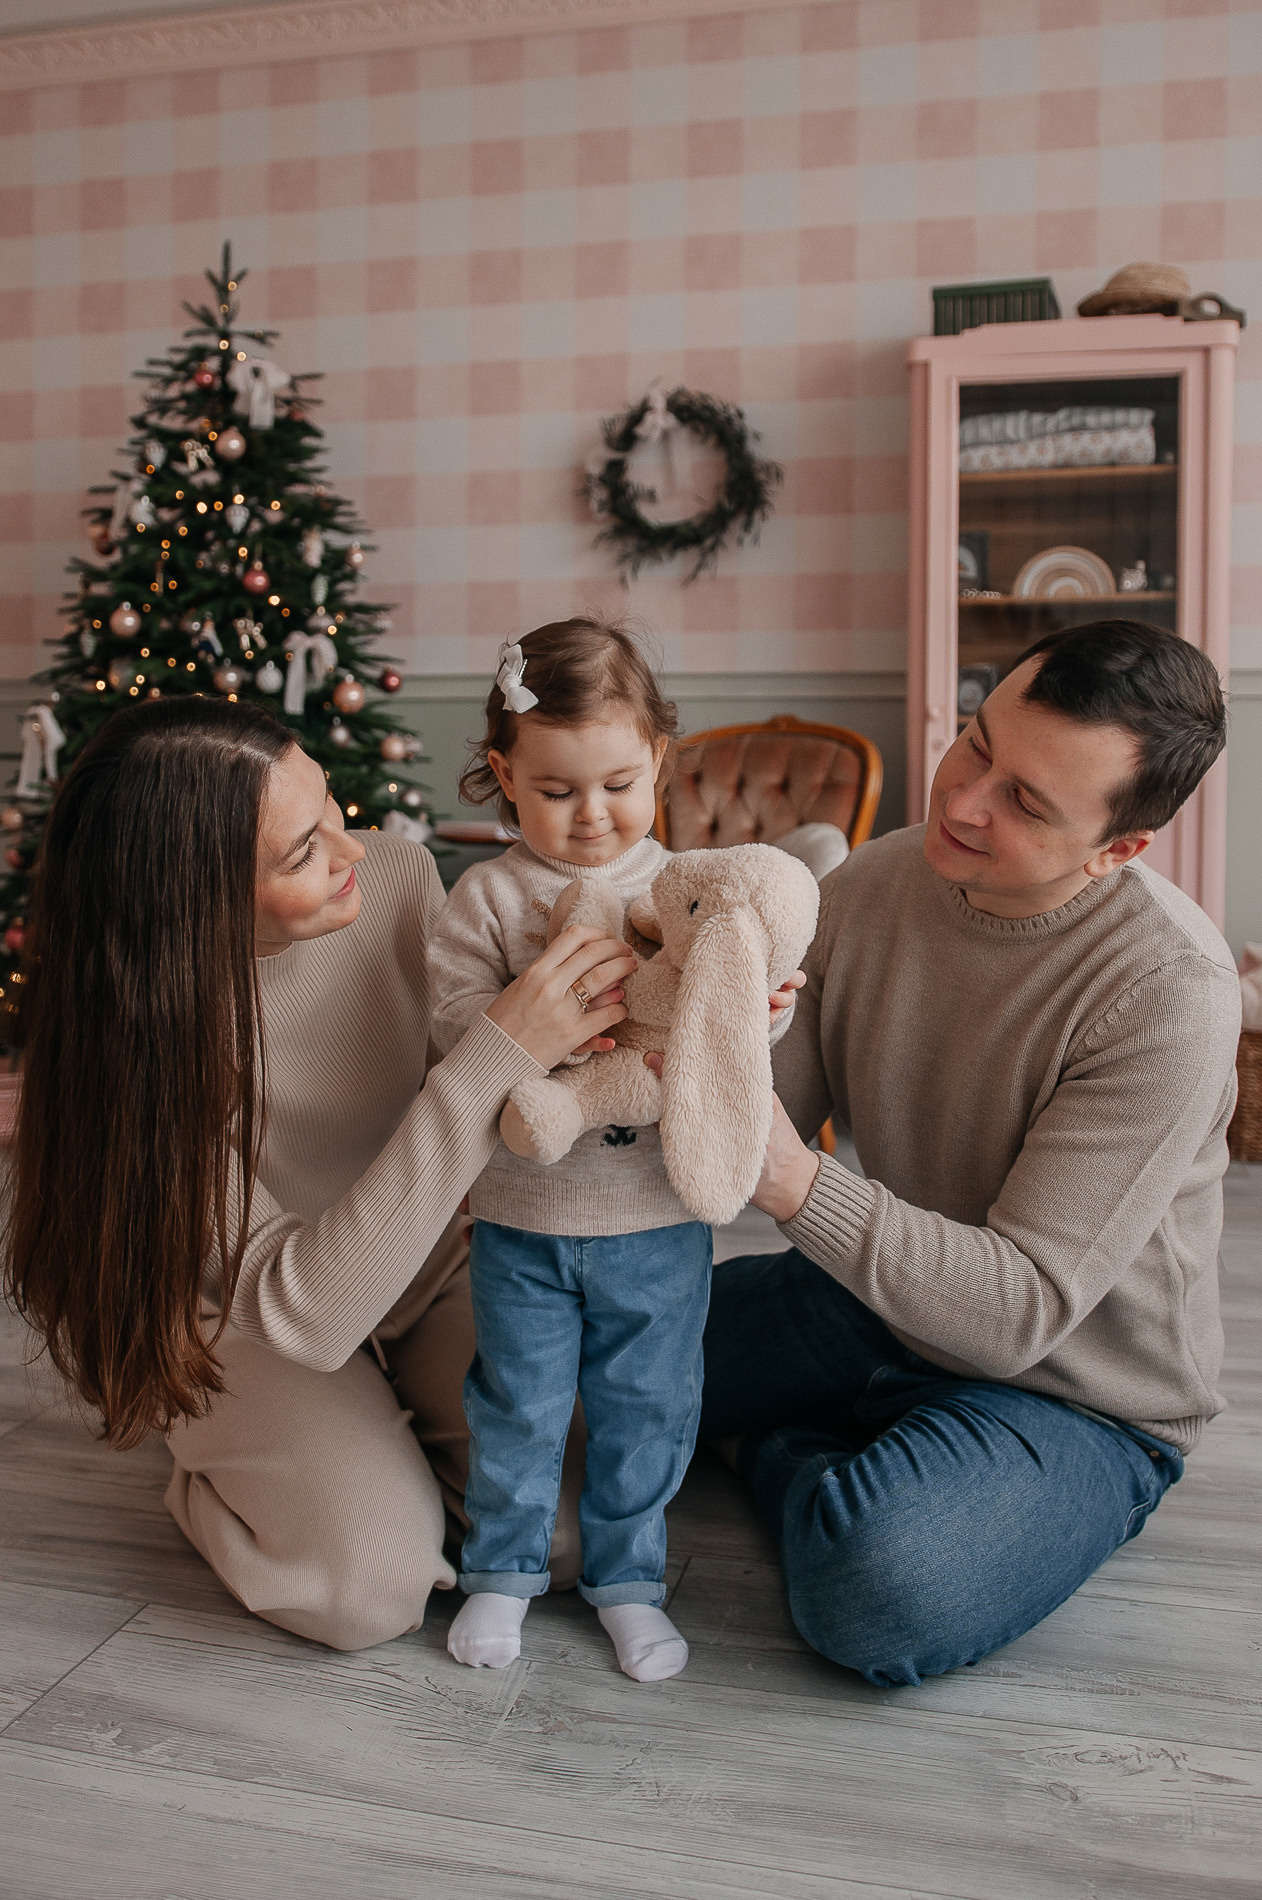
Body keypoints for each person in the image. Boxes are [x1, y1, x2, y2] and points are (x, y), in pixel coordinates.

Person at [3, 697, 635, 1650]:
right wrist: (500, 1052)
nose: (354, 853)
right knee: (365, 1589)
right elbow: (309, 1310)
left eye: (333, 808)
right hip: (257, 1318)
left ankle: (370, 1438)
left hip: (427, 1267)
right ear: (195, 897)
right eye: (302, 854)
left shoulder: (395, 881)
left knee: (561, 1541)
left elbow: (496, 1086)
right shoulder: (141, 1050)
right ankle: (217, 1461)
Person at [701, 620, 1240, 1687]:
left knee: (876, 1584)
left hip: (1075, 1386)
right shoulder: (870, 882)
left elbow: (1017, 1310)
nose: (960, 799)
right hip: (872, 1297)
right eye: (976, 743)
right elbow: (748, 1115)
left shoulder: (1171, 993)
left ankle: (779, 1445)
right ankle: (828, 1439)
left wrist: (792, 1181)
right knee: (572, 1369)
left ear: (1117, 848)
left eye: (1025, 802)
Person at [429, 619, 798, 1682]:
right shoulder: (490, 897)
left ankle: (629, 1577)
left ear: (660, 762)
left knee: (648, 1402)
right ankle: (501, 1569)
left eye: (617, 784)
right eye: (554, 791)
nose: (589, 818)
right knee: (518, 1399)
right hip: (524, 1212)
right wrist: (528, 1014)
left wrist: (763, 1007)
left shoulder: (687, 889)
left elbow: (726, 1032)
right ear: (504, 775)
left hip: (657, 1210)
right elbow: (451, 1020)